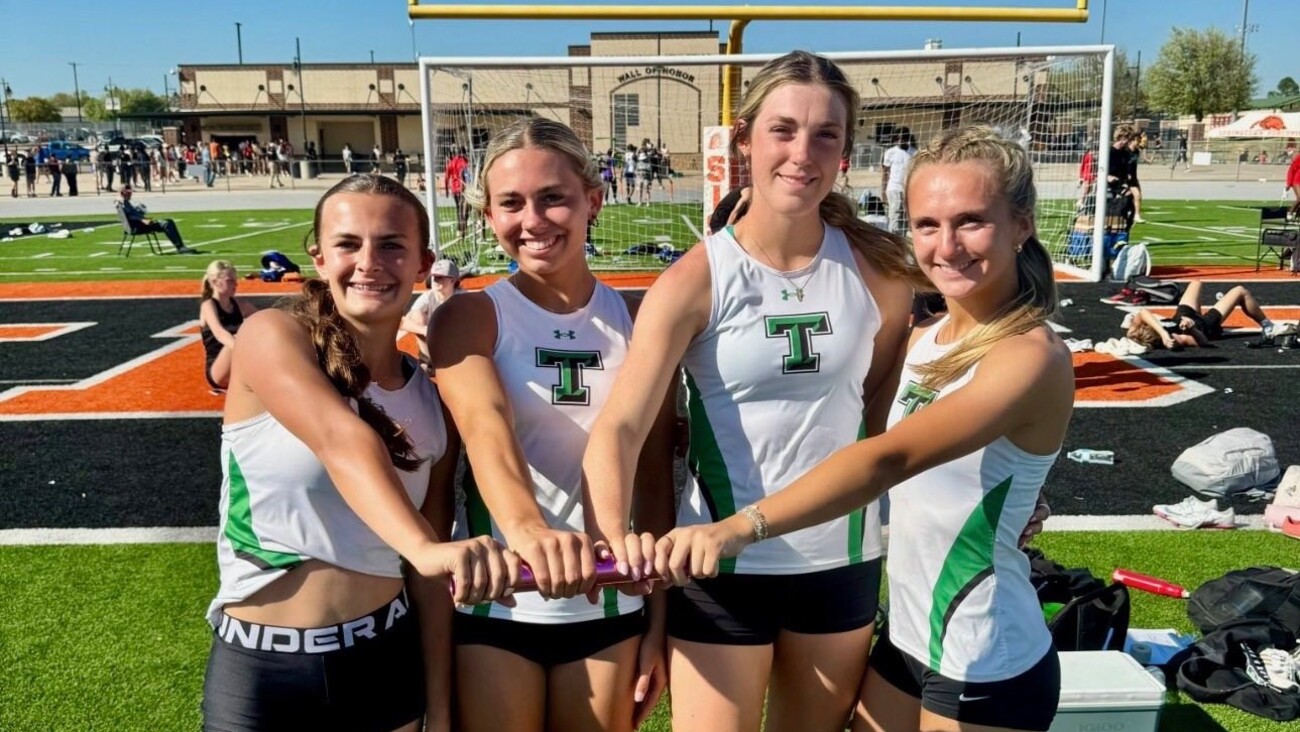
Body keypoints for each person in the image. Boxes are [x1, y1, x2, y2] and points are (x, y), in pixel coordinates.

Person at [652, 124, 1073, 732]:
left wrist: (739, 528)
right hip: (904, 646)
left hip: (985, 657)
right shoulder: (922, 337)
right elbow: (847, 420)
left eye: (971, 221)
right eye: (927, 224)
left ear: (1022, 225)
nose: (947, 245)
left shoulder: (1030, 356)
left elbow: (886, 459)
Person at [583, 51, 929, 732]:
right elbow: (622, 427)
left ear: (845, 151)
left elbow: (882, 415)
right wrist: (611, 536)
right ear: (744, 140)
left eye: (825, 135)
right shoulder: (695, 280)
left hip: (841, 560)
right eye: (783, 130)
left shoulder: (882, 274)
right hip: (719, 566)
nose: (802, 153)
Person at [201, 173, 522, 732]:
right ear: (320, 258)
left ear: (423, 263)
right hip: (261, 669)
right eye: (348, 244)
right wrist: (424, 548)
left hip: (384, 662)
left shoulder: (433, 400)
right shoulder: (270, 335)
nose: (369, 262)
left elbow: (429, 581)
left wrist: (441, 710)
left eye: (392, 245)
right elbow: (340, 439)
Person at [429, 117, 676, 732]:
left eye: (552, 198)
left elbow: (653, 478)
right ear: (488, 215)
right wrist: (530, 532)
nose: (533, 220)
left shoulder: (640, 319)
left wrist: (658, 623)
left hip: (610, 602)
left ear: (593, 200)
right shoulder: (468, 316)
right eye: (511, 203)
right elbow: (486, 430)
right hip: (500, 601)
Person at [1125, 280, 1284, 350]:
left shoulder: (1133, 333)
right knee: (1240, 291)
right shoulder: (1172, 339)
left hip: (1182, 314)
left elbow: (1142, 313)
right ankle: (1268, 326)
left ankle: (1223, 304)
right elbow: (1203, 342)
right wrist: (1192, 329)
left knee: (1196, 283)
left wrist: (1161, 331)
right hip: (1204, 325)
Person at [198, 260, 259, 392]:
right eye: (230, 280)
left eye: (235, 280)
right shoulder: (208, 305)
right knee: (240, 336)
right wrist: (243, 349)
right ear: (215, 282)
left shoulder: (240, 304)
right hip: (218, 371)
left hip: (238, 366)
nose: (236, 284)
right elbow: (220, 333)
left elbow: (264, 319)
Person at [399, 258, 460, 370]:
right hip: (434, 340)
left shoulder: (462, 298)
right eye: (433, 276)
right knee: (417, 316)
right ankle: (428, 360)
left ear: (452, 280)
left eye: (440, 277)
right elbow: (403, 321)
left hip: (456, 342)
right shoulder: (428, 296)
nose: (435, 280)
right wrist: (424, 329)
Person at [117, 186, 198, 254]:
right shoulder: (122, 203)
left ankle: (180, 246)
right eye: (128, 193)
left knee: (168, 221)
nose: (130, 194)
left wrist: (140, 212)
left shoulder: (124, 202)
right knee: (167, 223)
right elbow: (129, 216)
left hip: (138, 225)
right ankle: (180, 247)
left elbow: (132, 214)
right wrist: (142, 220)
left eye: (130, 192)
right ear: (122, 193)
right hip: (138, 227)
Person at [882, 127, 917, 235]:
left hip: (908, 188)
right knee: (895, 213)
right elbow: (885, 172)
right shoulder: (890, 152)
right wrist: (883, 190)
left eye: (903, 138)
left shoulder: (914, 153)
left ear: (908, 138)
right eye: (898, 138)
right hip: (894, 187)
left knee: (906, 214)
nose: (900, 141)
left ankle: (903, 238)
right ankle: (893, 237)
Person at [443, 147, 469, 237]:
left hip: (454, 189)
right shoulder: (465, 162)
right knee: (465, 209)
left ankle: (460, 229)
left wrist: (446, 189)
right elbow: (468, 175)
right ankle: (462, 227)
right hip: (463, 188)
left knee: (459, 208)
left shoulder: (452, 162)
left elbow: (446, 176)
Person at [1287, 147, 1300, 220]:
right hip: (1297, 181)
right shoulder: (1298, 158)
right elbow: (1291, 171)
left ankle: (1296, 215)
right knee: (1299, 198)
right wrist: (1288, 184)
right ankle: (1290, 212)